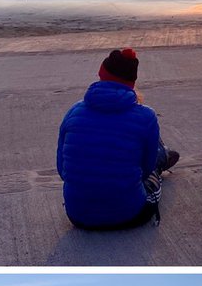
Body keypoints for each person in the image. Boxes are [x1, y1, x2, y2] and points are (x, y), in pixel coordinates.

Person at [56, 47, 178, 230]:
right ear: (131, 82)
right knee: (152, 170)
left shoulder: (73, 112)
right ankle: (163, 157)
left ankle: (162, 156)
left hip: (78, 215)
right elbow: (145, 169)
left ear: (101, 75)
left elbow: (61, 169)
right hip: (128, 214)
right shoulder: (146, 115)